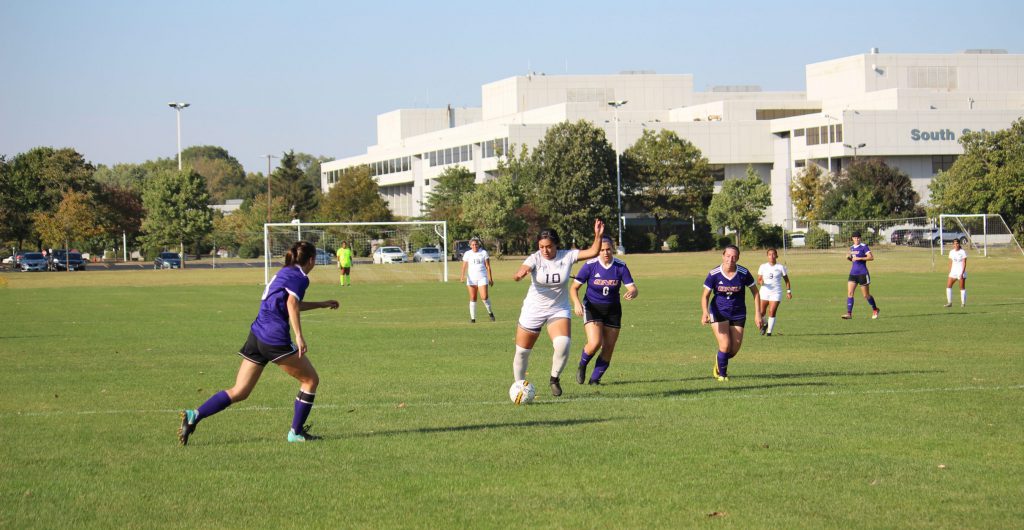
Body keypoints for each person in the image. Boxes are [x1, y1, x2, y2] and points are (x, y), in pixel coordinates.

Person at [178, 241, 340, 445]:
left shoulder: (284, 272)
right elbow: (291, 304)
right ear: (311, 260)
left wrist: (322, 304)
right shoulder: (300, 277)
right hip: (274, 338)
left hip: (257, 335)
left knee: (240, 391)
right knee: (310, 381)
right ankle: (295, 433)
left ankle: (195, 415)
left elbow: (291, 304)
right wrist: (299, 336)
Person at [512, 220, 604, 396]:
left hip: (558, 308)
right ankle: (519, 387)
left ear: (556, 245)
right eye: (541, 246)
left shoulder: (566, 256)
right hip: (534, 309)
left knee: (563, 343)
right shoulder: (535, 258)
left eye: (549, 246)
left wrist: (598, 236)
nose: (545, 250)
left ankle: (554, 379)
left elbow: (593, 251)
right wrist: (520, 274)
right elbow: (524, 268)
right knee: (522, 352)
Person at [570, 236, 638, 385]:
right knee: (595, 343)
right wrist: (576, 303)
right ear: (597, 251)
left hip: (613, 310)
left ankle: (595, 380)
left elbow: (633, 287)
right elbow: (574, 288)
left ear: (612, 250)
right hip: (593, 307)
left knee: (608, 347)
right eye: (602, 250)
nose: (605, 252)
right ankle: (582, 365)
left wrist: (632, 292)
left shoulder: (620, 266)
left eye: (608, 249)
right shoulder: (590, 265)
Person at [700, 245, 762, 381]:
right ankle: (722, 375)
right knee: (725, 345)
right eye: (728, 256)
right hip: (718, 312)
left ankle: (719, 360)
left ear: (738, 258)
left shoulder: (743, 273)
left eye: (734, 256)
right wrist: (705, 312)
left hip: (738, 313)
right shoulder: (714, 274)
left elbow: (756, 293)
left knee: (733, 350)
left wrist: (758, 314)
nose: (730, 259)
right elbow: (705, 296)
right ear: (723, 256)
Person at [842, 231, 879, 319]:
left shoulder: (864, 247)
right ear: (852, 239)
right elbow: (854, 260)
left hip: (863, 273)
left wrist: (860, 258)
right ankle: (849, 314)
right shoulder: (852, 248)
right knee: (850, 293)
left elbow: (871, 257)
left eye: (858, 238)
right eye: (855, 238)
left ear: (860, 238)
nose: (856, 239)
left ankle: (875, 309)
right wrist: (848, 258)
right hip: (853, 273)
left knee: (866, 295)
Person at [756, 248, 792, 336]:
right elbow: (759, 280)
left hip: (776, 292)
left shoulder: (780, 267)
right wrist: (760, 282)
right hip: (764, 292)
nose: (771, 256)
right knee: (761, 312)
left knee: (772, 311)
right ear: (767, 256)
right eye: (769, 254)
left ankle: (769, 332)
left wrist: (788, 292)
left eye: (773, 254)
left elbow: (787, 280)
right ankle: (765, 325)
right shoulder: (763, 266)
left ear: (776, 256)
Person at [459, 237, 495, 323]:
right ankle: (473, 319)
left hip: (482, 278)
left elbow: (488, 266)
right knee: (473, 298)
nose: (475, 246)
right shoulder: (467, 254)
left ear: (479, 245)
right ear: (470, 246)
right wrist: (462, 276)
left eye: (476, 244)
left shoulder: (483, 252)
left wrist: (490, 278)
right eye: (473, 245)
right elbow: (464, 266)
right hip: (471, 279)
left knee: (484, 297)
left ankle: (490, 313)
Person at [945, 238, 968, 307]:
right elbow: (950, 262)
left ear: (959, 244)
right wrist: (950, 271)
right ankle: (949, 303)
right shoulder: (951, 252)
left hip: (960, 272)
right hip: (953, 272)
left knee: (962, 287)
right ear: (953, 245)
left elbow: (964, 263)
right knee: (948, 286)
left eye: (957, 243)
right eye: (954, 244)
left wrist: (962, 273)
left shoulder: (962, 252)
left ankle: (963, 303)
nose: (956, 245)